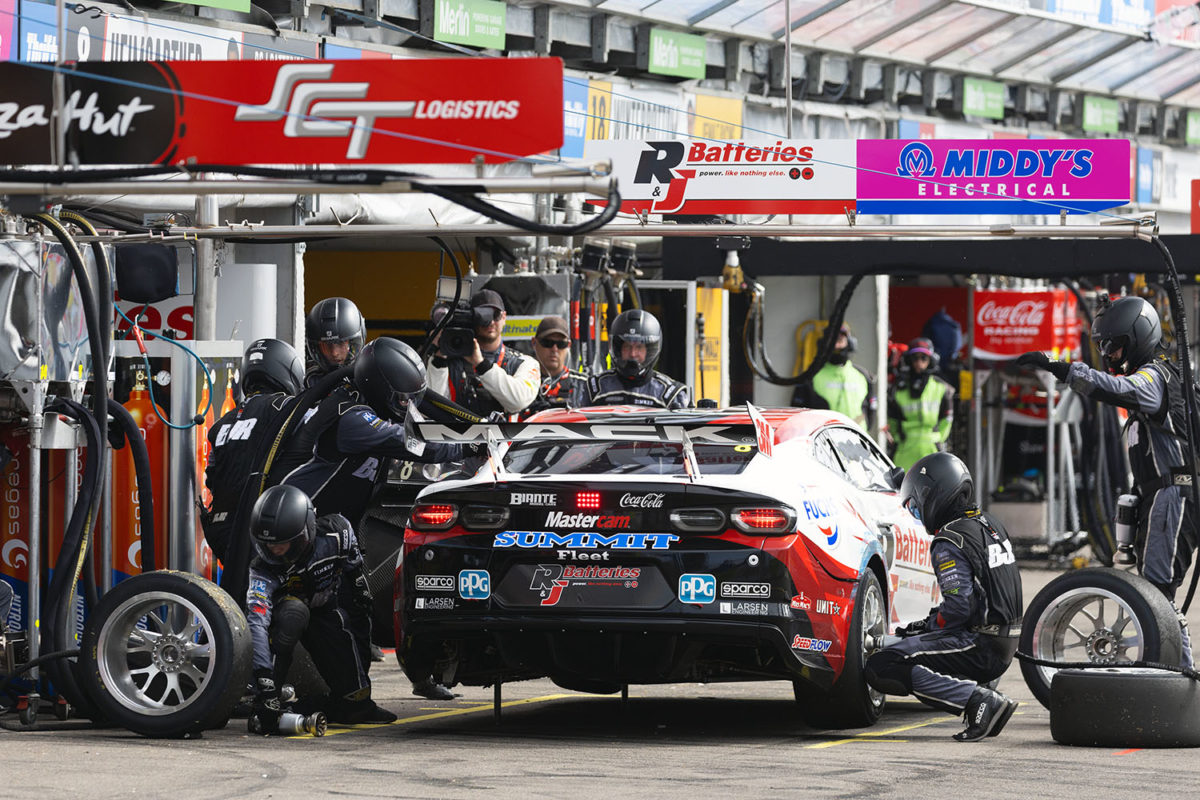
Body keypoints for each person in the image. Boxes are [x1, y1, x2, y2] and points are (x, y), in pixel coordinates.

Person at [281, 337, 478, 697]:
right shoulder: (352, 416)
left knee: (360, 608)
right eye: (403, 399)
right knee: (335, 614)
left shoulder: (374, 405)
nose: (409, 406)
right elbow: (419, 445)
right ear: (381, 389)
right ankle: (330, 695)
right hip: (298, 533)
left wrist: (476, 425)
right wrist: (472, 442)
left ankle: (382, 688)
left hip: (335, 529)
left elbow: (422, 423)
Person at [1017, 296, 1195, 666]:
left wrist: (1062, 368)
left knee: (1157, 598)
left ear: (1138, 338)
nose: (1110, 355)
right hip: (1161, 497)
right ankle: (1174, 679)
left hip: (1174, 496)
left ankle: (1184, 681)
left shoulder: (1155, 376)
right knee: (1152, 594)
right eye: (1103, 347)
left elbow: (1118, 390)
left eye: (1114, 346)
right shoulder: (1157, 377)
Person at [865, 452, 1023, 742]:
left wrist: (927, 629)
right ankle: (984, 692)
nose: (916, 514)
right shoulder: (990, 524)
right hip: (1007, 642)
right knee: (916, 642)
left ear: (931, 496)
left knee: (883, 665)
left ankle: (977, 702)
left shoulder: (949, 541)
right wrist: (926, 627)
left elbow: (959, 607)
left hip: (980, 646)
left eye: (915, 508)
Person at [246, 484, 395, 731]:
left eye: (284, 543)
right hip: (284, 621)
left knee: (354, 700)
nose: (276, 551)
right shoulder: (261, 568)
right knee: (294, 612)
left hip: (326, 611)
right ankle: (267, 700)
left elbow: (354, 572)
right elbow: (257, 621)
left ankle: (345, 701)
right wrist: (264, 677)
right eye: (269, 544)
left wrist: (361, 597)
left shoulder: (338, 533)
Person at [203, 338, 305, 605]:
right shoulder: (285, 408)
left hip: (220, 529)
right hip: (264, 530)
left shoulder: (222, 423)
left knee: (237, 602)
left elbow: (212, 477)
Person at [427, 288, 540, 419]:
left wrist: (481, 365)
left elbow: (517, 401)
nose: (490, 322)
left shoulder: (524, 362)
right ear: (473, 319)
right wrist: (440, 358)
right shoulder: (448, 359)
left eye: (495, 315)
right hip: (458, 438)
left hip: (502, 439)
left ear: (504, 317)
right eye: (483, 316)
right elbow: (431, 408)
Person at [586, 309, 690, 409]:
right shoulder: (595, 388)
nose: (633, 353)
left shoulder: (669, 393)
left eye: (639, 347)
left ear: (649, 350)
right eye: (627, 346)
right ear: (618, 349)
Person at [791, 323, 877, 428]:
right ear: (824, 344)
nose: (837, 343)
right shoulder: (811, 376)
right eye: (833, 339)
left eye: (841, 338)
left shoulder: (863, 375)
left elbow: (871, 409)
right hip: (824, 441)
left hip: (857, 439)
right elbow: (797, 413)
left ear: (850, 342)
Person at [888, 337, 955, 470]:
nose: (919, 362)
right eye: (915, 358)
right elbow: (893, 420)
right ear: (909, 360)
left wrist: (938, 440)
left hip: (933, 450)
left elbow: (946, 419)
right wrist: (899, 441)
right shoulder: (898, 390)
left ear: (931, 360)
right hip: (905, 451)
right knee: (902, 489)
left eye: (924, 358)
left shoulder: (942, 388)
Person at [524, 315, 588, 415]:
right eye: (547, 343)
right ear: (534, 343)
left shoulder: (585, 384)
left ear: (569, 346)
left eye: (561, 344)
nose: (554, 349)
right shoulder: (521, 380)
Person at [305, 297, 367, 387]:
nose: (334, 353)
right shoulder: (309, 380)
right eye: (326, 345)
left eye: (340, 343)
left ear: (352, 343)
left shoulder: (368, 375)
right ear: (317, 347)